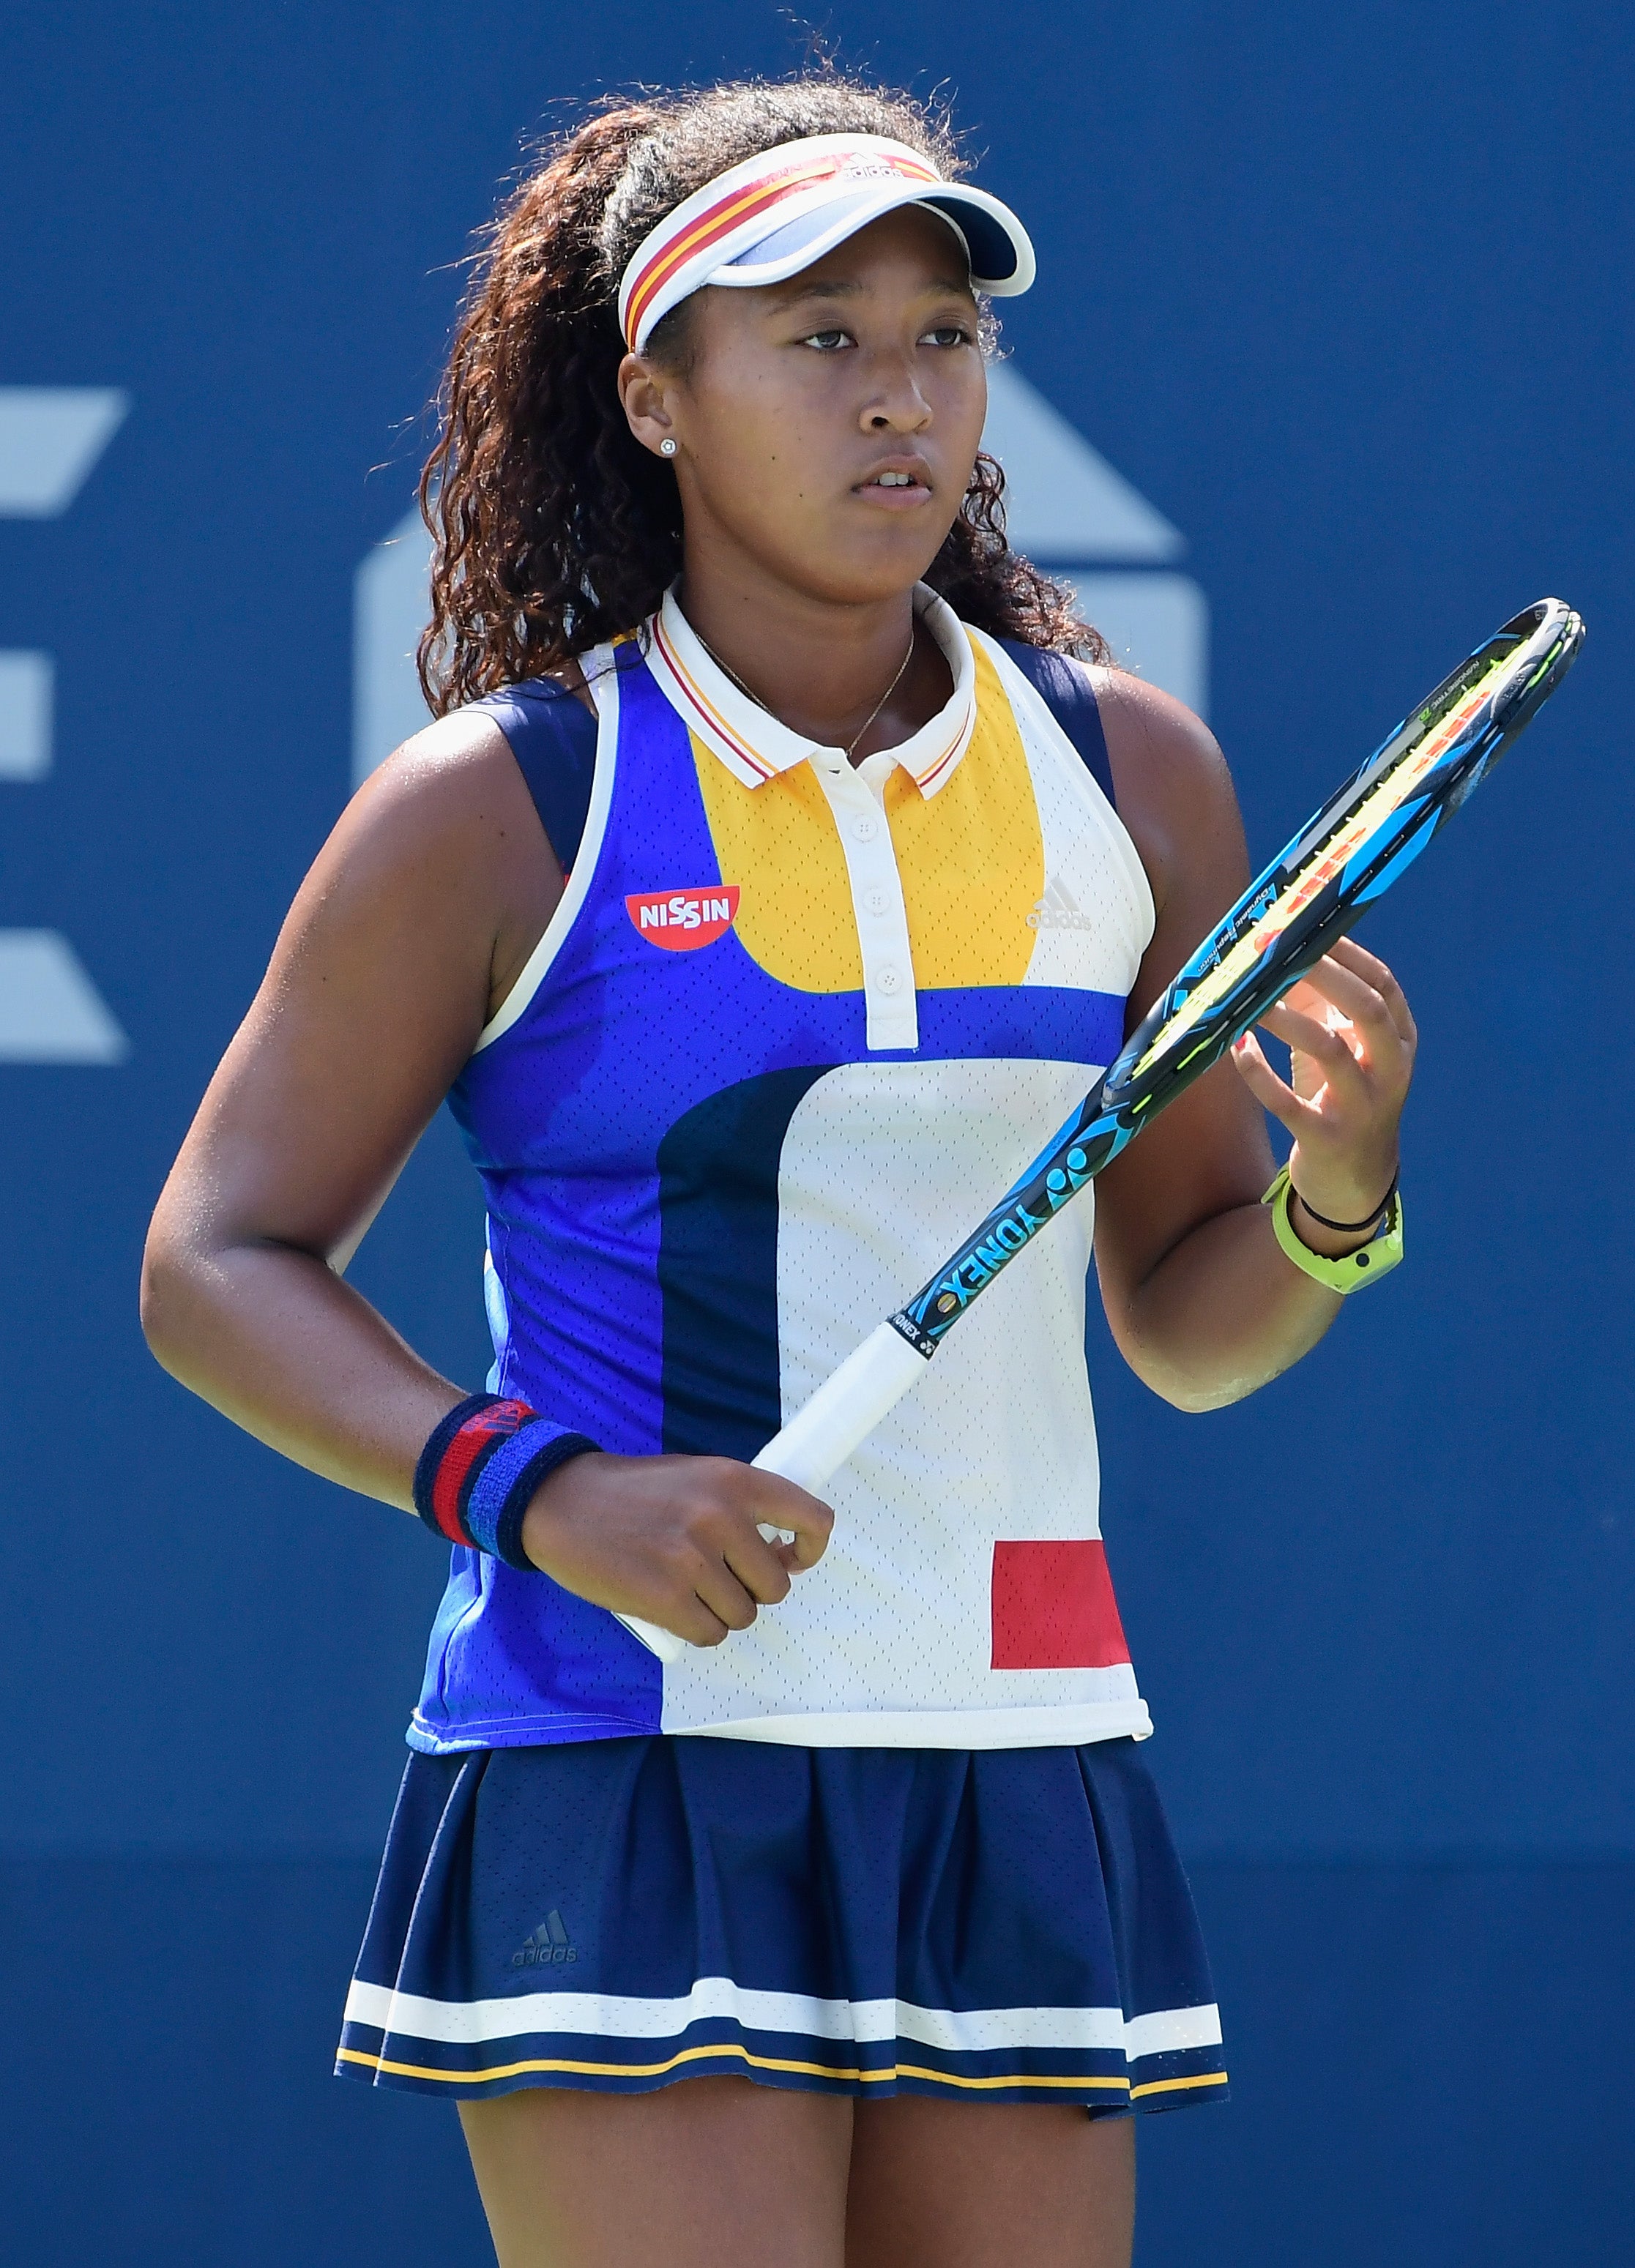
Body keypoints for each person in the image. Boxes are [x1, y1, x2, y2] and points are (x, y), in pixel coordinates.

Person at [141, 74, 1414, 2268]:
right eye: (818, 340)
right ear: (653, 395)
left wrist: (1339, 1197)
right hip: (625, 1751)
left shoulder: (1130, 773)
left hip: (1017, 1750)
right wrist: (537, 1489)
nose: (899, 398)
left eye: (940, 335)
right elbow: (213, 1261)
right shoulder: (500, 802)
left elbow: (1195, 1314)